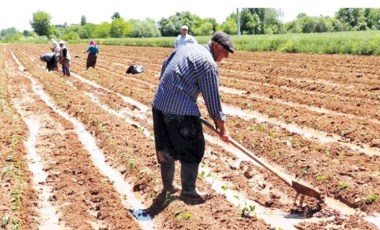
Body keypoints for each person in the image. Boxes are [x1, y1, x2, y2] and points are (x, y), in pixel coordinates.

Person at [152, 31, 234, 203]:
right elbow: (213, 99)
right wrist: (223, 128)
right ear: (216, 46)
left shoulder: (186, 48)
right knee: (193, 148)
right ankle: (188, 192)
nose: (226, 56)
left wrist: (168, 90)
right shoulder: (208, 63)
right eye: (225, 51)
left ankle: (168, 187)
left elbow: (164, 64)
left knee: (165, 148)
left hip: (159, 103)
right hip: (180, 108)